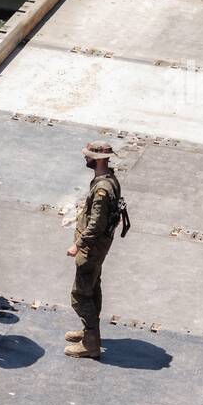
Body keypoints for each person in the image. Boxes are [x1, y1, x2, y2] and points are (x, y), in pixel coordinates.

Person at [66, 141, 124, 359]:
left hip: (91, 248)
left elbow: (96, 224)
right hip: (100, 246)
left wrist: (77, 245)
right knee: (92, 286)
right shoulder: (109, 179)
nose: (85, 158)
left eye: (89, 156)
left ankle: (91, 342)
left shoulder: (101, 189)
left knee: (80, 294)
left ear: (98, 159)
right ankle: (89, 331)